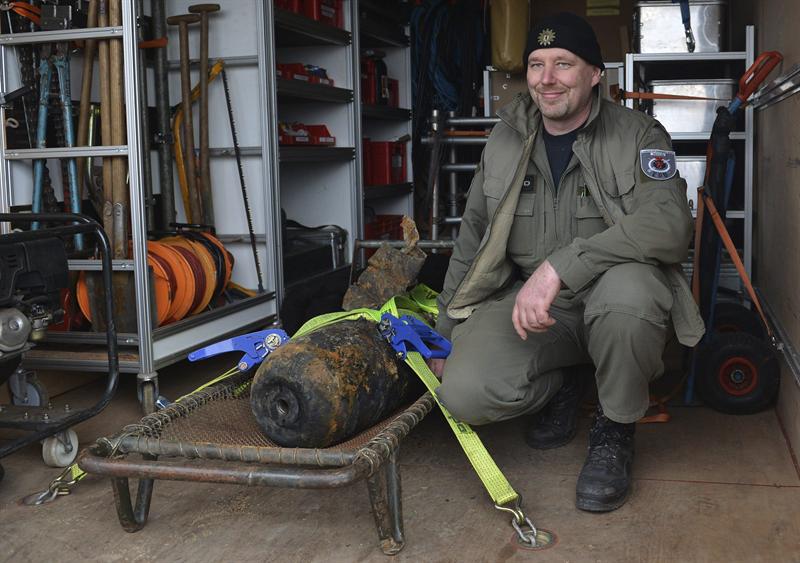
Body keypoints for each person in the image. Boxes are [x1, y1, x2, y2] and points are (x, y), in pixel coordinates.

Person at [429, 12, 705, 512]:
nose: (547, 78)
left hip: (611, 293)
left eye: (563, 63)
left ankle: (615, 428)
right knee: (463, 395)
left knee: (630, 296)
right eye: (536, 64)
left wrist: (561, 266)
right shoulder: (507, 137)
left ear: (596, 74)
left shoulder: (640, 134)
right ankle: (567, 381)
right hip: (533, 307)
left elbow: (669, 227)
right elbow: (472, 237)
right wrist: (444, 332)